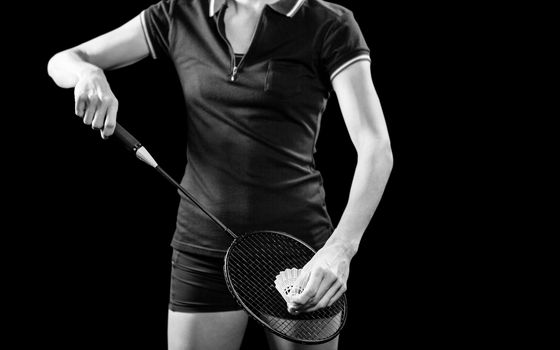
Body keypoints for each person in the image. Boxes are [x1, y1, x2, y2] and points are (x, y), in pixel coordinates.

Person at [47, 0, 392, 349]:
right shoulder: (180, 13)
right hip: (203, 247)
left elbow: (376, 148)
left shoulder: (328, 22)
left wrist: (341, 249)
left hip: (299, 251)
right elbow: (63, 60)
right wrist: (88, 73)